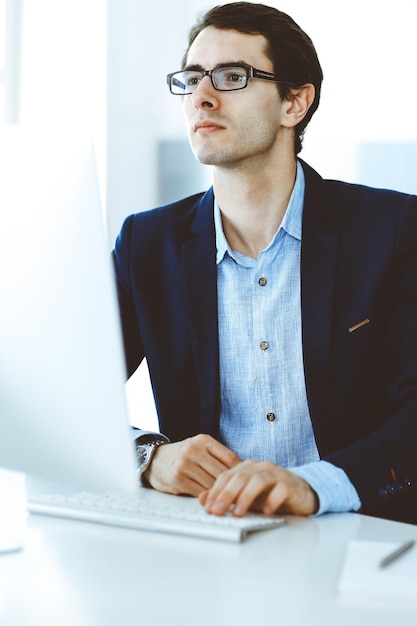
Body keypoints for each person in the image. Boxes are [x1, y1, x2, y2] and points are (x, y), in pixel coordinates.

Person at [113, 2, 417, 524]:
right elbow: (61, 404)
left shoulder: (392, 228)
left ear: (294, 103)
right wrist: (148, 456)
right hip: (212, 535)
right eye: (192, 78)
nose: (202, 96)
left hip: (360, 534)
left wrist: (312, 485)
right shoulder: (147, 242)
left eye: (232, 76)